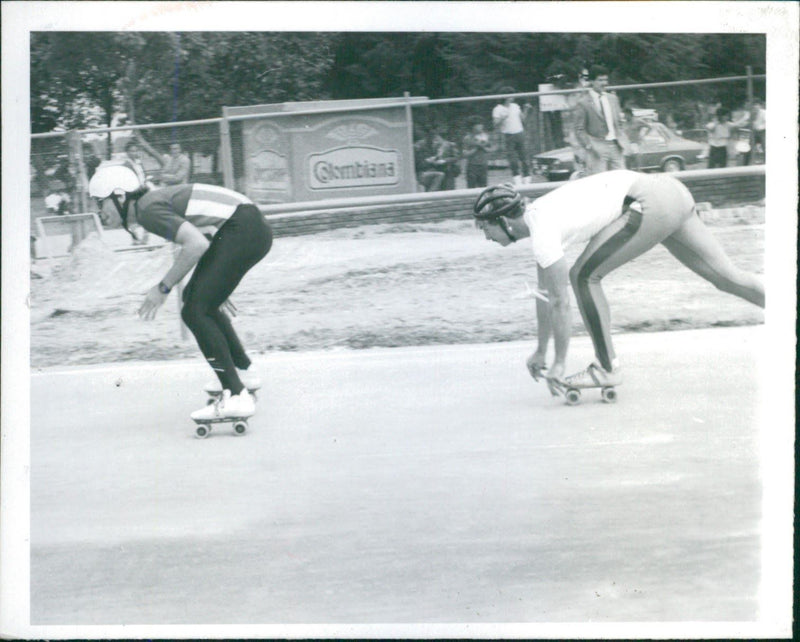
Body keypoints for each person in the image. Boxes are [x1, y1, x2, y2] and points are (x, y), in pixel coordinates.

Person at [471, 170, 764, 393]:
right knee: (728, 279)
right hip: (670, 191)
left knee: (583, 277)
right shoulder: (540, 221)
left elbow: (560, 302)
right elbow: (546, 294)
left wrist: (559, 362)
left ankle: (608, 368)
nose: (486, 237)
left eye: (486, 229)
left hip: (647, 200)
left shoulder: (542, 230)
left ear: (504, 222)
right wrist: (540, 350)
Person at [88, 162, 273, 421]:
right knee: (197, 301)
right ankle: (242, 372)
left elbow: (195, 244)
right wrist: (217, 280)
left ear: (120, 196)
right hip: (247, 225)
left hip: (243, 227)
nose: (99, 211)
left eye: (100, 202)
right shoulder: (151, 203)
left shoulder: (147, 209)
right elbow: (205, 232)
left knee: (195, 311)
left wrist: (162, 288)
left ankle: (235, 395)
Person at [573, 65, 631, 175]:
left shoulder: (613, 99)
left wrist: (623, 139)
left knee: (622, 179)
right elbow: (579, 129)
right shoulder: (583, 103)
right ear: (592, 81)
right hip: (596, 149)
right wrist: (589, 146)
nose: (604, 83)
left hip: (615, 146)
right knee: (599, 182)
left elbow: (619, 122)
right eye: (600, 80)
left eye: (606, 80)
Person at [492, 87, 532, 186]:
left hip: (519, 133)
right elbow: (495, 124)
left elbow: (523, 119)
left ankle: (527, 181)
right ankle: (518, 181)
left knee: (524, 158)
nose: (513, 97)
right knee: (513, 160)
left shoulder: (515, 106)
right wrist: (502, 118)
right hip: (508, 135)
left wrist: (526, 109)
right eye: (511, 95)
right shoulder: (498, 109)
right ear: (505, 97)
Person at [462, 118, 494, 188]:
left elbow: (492, 149)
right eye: (478, 125)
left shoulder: (486, 136)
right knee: (471, 187)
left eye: (481, 125)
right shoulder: (468, 138)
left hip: (483, 165)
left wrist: (484, 148)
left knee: (483, 187)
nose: (481, 127)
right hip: (472, 166)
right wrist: (475, 149)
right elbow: (465, 154)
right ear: (473, 127)